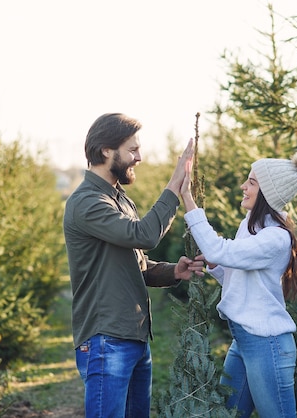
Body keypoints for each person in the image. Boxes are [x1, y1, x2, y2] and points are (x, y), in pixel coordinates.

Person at [63, 113, 204, 418]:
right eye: (132, 150)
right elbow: (143, 235)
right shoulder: (87, 202)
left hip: (135, 338)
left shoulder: (120, 200)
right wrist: (174, 185)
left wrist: (172, 271)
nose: (139, 158)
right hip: (106, 339)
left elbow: (135, 261)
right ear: (106, 151)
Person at [180, 151, 297, 418]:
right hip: (244, 340)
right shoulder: (251, 226)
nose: (243, 187)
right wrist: (215, 268)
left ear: (268, 193)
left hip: (267, 344)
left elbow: (218, 248)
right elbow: (239, 280)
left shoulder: (275, 238)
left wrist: (187, 197)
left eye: (252, 182)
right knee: (227, 414)